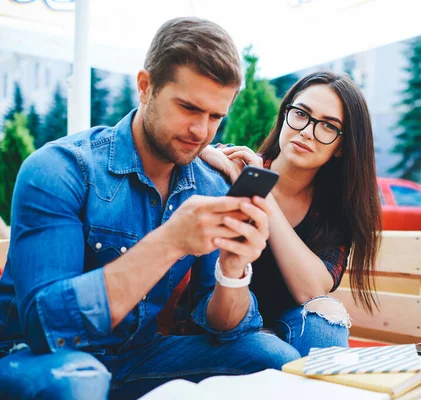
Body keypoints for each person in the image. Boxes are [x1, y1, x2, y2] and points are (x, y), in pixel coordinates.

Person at [0, 17, 300, 400]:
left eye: (216, 116)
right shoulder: (60, 169)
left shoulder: (208, 183)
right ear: (145, 86)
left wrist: (232, 270)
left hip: (136, 358)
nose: (201, 131)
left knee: (273, 358)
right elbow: (46, 327)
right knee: (79, 379)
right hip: (32, 359)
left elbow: (224, 328)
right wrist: (171, 242)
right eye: (189, 108)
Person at [201, 71, 382, 356]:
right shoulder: (231, 168)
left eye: (328, 126)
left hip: (292, 329)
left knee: (325, 324)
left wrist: (264, 193)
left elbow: (311, 292)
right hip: (227, 328)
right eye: (301, 113)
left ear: (341, 146)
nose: (307, 131)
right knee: (271, 351)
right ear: (285, 114)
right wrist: (205, 154)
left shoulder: (336, 209)